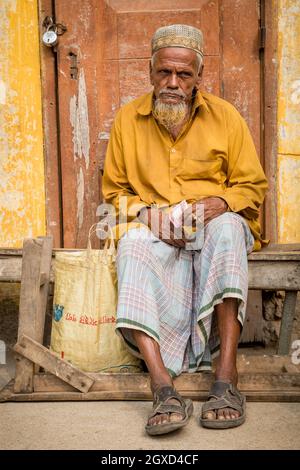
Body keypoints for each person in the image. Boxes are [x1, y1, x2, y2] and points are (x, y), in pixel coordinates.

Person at [102, 24, 268, 435]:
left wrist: (220, 202)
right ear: (151, 71)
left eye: (184, 74)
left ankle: (226, 380)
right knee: (133, 244)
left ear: (199, 77)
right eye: (164, 73)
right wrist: (148, 215)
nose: (173, 83)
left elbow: (252, 186)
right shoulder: (128, 119)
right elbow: (115, 192)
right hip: (159, 224)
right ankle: (162, 387)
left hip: (212, 223)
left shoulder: (225, 116)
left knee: (229, 229)